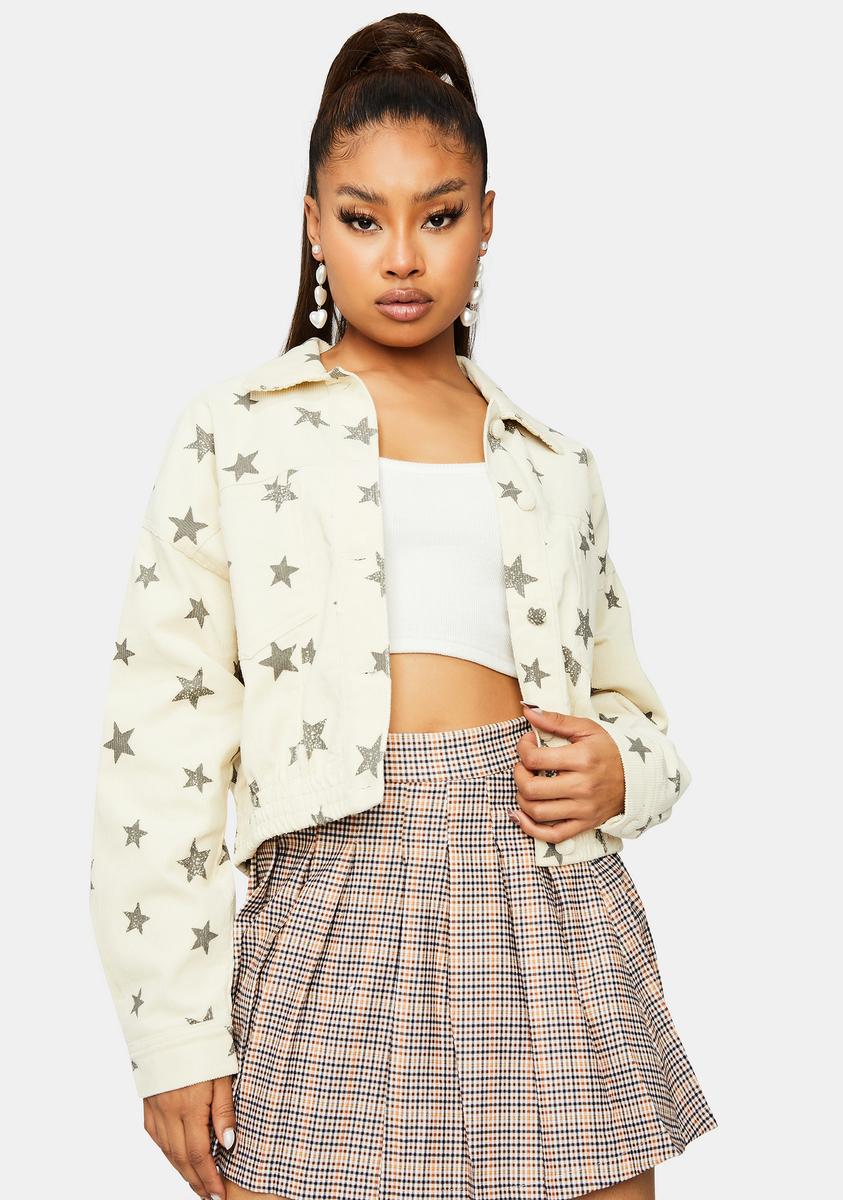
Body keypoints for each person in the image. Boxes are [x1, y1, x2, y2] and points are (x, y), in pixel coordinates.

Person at [89, 12, 718, 1200]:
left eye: (438, 215)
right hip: (331, 903)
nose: (403, 257)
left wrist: (621, 772)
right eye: (363, 218)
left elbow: (636, 714)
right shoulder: (238, 432)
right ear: (313, 224)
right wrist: (171, 1035)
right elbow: (163, 742)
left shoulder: (551, 462)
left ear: (487, 220)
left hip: (546, 902)